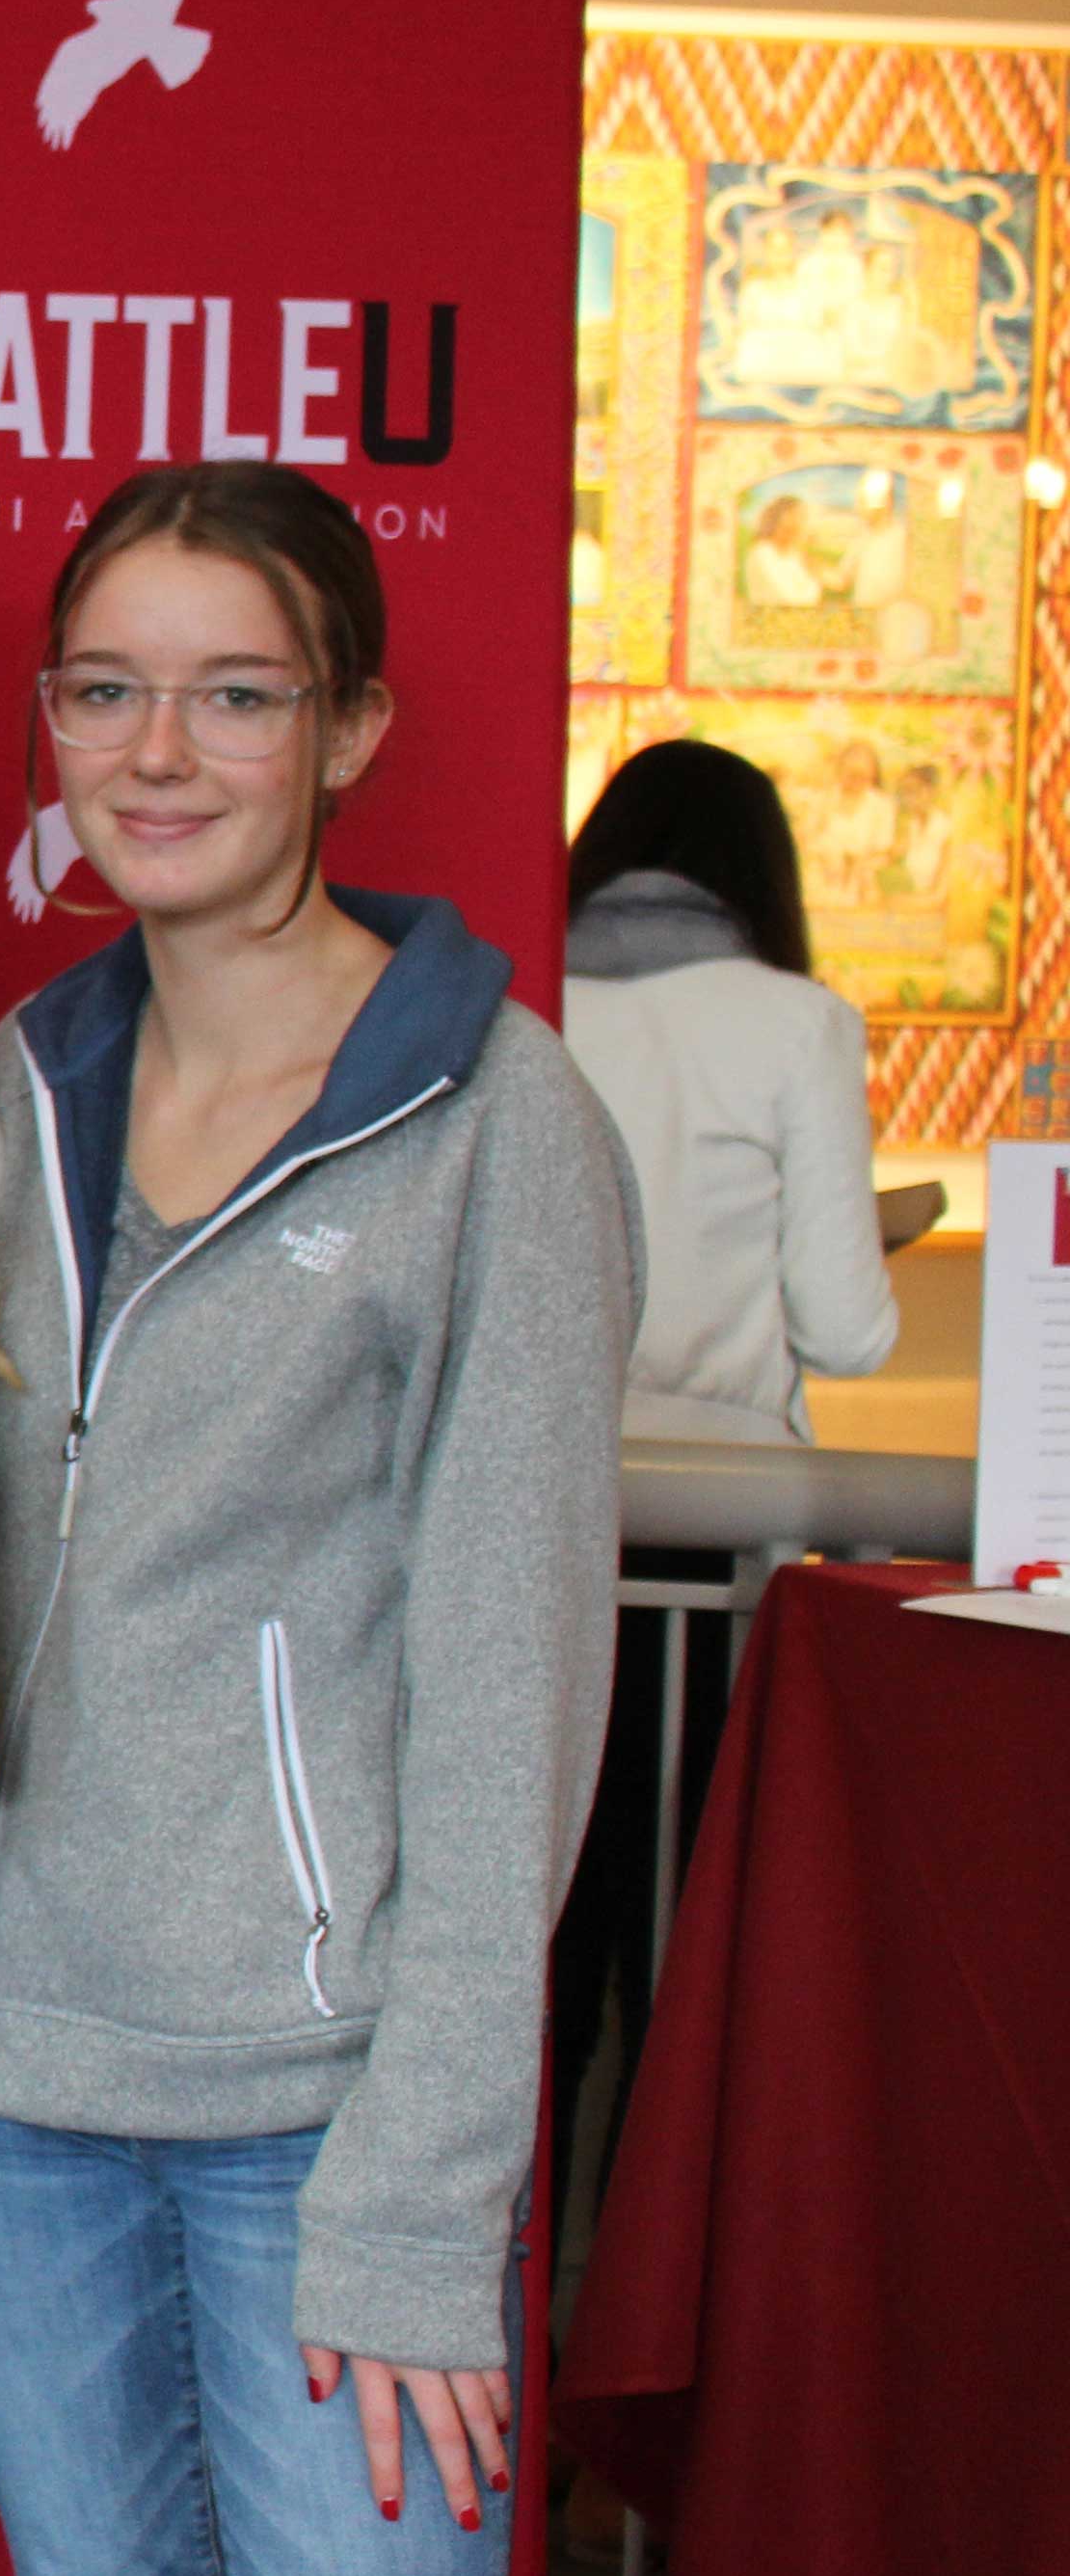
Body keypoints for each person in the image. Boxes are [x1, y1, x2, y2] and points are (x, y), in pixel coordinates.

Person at [0, 463, 635, 2576]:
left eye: (236, 694)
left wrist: (431, 2203)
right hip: (19, 2091)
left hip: (321, 2128)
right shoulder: (13, 1083)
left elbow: (517, 1690)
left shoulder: (493, 1120)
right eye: (108, 690)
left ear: (351, 729)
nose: (162, 750)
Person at [548, 738, 894, 2174]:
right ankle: (639, 2306)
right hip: (722, 1542)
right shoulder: (795, 1022)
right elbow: (852, 1329)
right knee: (686, 1940)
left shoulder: (522, 999)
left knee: (539, 1930)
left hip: (539, 1524)